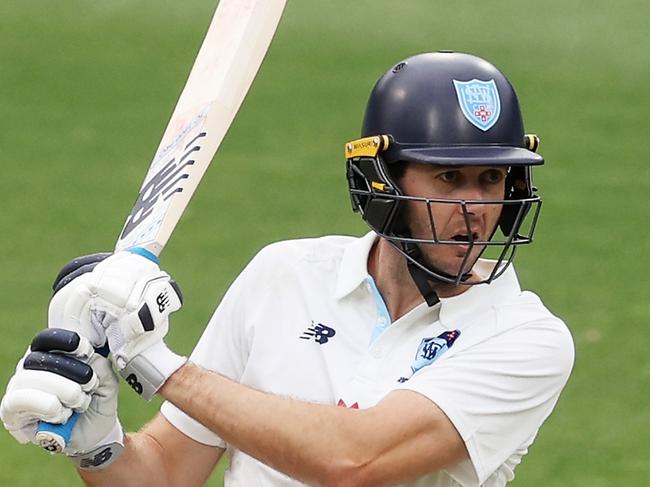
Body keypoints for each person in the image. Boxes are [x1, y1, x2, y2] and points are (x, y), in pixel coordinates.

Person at [1, 51, 574, 487]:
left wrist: (152, 363)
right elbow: (166, 471)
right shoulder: (284, 274)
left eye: (492, 179)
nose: (475, 209)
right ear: (382, 183)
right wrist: (99, 446)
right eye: (448, 179)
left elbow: (353, 459)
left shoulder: (526, 339)